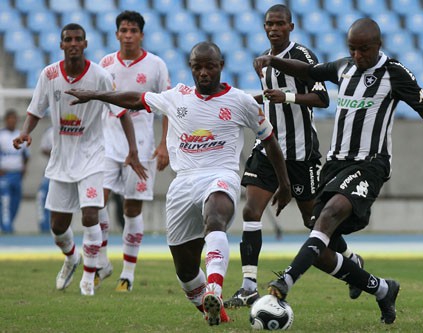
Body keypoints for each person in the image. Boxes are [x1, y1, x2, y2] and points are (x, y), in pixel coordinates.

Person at [253, 18, 423, 324]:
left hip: (369, 164)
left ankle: (285, 283)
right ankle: (382, 289)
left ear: (378, 45)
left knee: (328, 215)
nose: (359, 55)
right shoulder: (343, 68)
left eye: (365, 49)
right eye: (353, 49)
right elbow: (309, 71)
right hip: (335, 165)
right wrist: (275, 60)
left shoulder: (395, 73)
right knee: (322, 249)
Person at [65, 41, 292, 326]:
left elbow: (269, 140)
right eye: (198, 67)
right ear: (191, 68)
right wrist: (97, 95)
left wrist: (284, 184)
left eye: (210, 66)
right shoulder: (177, 97)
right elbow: (136, 99)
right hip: (183, 182)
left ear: (221, 66)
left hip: (220, 174)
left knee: (216, 218)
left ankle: (215, 287)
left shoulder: (241, 101)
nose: (204, 72)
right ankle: (218, 316)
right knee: (185, 271)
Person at [224, 4, 363, 308]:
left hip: (301, 155)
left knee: (314, 223)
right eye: (269, 24)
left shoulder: (302, 57)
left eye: (279, 24)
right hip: (270, 149)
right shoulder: (262, 60)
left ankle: (352, 261)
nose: (273, 29)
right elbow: (271, 98)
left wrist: (286, 96)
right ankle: (248, 285)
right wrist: (248, 101)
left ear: (291, 26)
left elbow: (324, 98)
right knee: (250, 211)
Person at [13, 23, 147, 297]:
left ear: (85, 44)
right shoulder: (49, 74)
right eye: (68, 39)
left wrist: (132, 150)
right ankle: (71, 257)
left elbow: (121, 112)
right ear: (61, 45)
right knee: (58, 228)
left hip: (93, 157)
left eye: (78, 39)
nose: (73, 43)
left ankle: (88, 278)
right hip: (62, 160)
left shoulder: (99, 75)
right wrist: (25, 133)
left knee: (89, 216)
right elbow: (35, 109)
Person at [94, 10, 171, 292]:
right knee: (95, 203)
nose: (128, 36)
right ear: (116, 34)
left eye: (133, 31)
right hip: (107, 146)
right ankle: (101, 261)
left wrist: (163, 145)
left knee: (131, 208)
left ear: (141, 34)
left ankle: (128, 274)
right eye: (123, 31)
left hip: (142, 147)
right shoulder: (105, 64)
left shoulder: (156, 66)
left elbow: (167, 109)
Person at [0, 109, 29, 233]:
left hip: (17, 175)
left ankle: (9, 226)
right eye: (9, 119)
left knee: (15, 203)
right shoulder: (1, 135)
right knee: (5, 203)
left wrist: (23, 168)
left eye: (14, 119)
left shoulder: (20, 136)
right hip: (4, 175)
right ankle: (7, 229)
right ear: (6, 120)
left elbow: (26, 155)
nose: (12, 121)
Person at [36, 126, 53, 233]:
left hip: (66, 173)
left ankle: (63, 229)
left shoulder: (74, 128)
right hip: (50, 172)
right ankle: (44, 228)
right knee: (43, 197)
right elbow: (43, 148)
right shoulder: (49, 131)